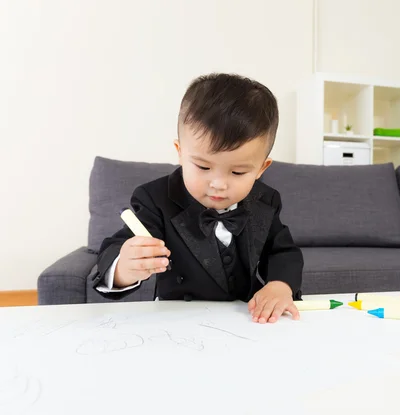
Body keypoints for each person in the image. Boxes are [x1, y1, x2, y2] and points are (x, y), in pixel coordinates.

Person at [91, 73, 303, 324]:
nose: (218, 184)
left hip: (245, 317)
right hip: (176, 318)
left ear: (261, 169)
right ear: (180, 153)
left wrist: (279, 285)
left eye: (238, 172)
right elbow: (116, 247)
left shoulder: (265, 200)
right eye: (203, 167)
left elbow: (282, 251)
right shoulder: (155, 198)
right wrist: (124, 267)